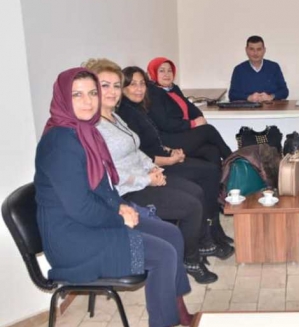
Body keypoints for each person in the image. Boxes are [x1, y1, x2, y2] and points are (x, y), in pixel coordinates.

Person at [35, 68, 195, 327]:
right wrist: (119, 218)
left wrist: (121, 206)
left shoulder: (85, 132)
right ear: (63, 97)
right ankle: (164, 322)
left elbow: (102, 186)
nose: (88, 101)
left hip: (93, 221)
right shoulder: (60, 143)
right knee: (163, 254)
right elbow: (79, 207)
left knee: (171, 234)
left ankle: (177, 311)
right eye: (77, 94)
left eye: (92, 93)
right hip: (73, 240)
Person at [85, 59, 219, 284]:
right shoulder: (93, 127)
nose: (112, 91)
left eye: (116, 85)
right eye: (104, 85)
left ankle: (198, 244)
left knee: (196, 191)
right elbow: (109, 172)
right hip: (127, 191)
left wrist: (152, 167)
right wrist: (147, 179)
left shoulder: (115, 117)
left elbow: (136, 150)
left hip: (145, 178)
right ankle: (191, 260)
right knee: (191, 206)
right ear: (93, 89)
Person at [118, 66, 235, 250]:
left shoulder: (139, 108)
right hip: (153, 168)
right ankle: (207, 233)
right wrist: (169, 159)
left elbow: (153, 141)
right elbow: (142, 153)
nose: (139, 89)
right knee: (209, 171)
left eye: (142, 84)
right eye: (133, 84)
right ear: (122, 87)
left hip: (162, 155)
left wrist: (169, 150)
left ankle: (213, 228)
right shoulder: (126, 113)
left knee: (212, 155)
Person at [146, 57, 232, 164]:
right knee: (209, 130)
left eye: (169, 70)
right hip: (168, 139)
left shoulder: (173, 89)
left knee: (212, 151)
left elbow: (191, 108)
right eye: (162, 71)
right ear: (153, 73)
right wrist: (193, 124)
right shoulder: (153, 93)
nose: (167, 74)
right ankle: (235, 161)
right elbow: (165, 124)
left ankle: (227, 173)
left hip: (183, 133)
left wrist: (199, 118)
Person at [228, 35, 289, 102]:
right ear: (246, 50)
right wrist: (249, 97)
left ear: (264, 50)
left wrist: (271, 97)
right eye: (252, 49)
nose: (255, 53)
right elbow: (232, 95)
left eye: (259, 49)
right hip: (247, 107)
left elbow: (284, 91)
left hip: (270, 107)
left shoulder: (274, 67)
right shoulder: (239, 70)